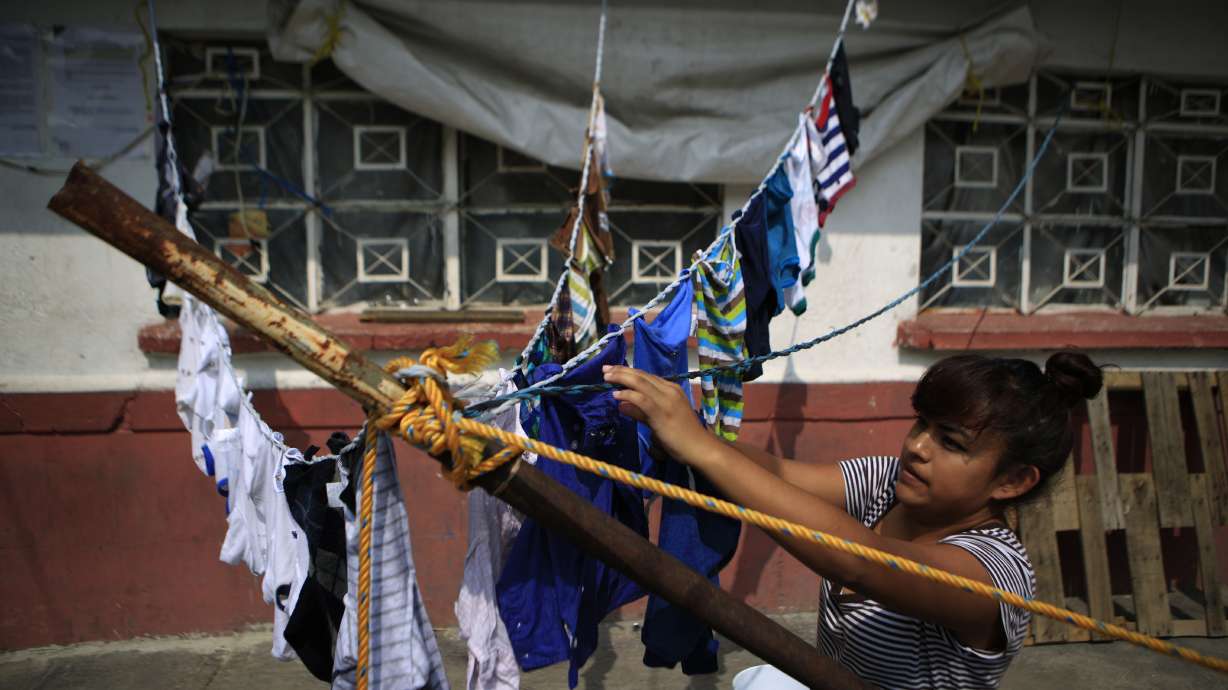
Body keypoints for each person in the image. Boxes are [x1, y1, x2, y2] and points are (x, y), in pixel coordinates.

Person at [603, 352, 1104, 689]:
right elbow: (780, 475)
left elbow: (861, 563)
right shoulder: (889, 484)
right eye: (921, 423)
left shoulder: (996, 573)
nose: (917, 446)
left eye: (950, 442)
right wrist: (681, 437)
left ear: (1012, 481)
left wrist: (704, 449)